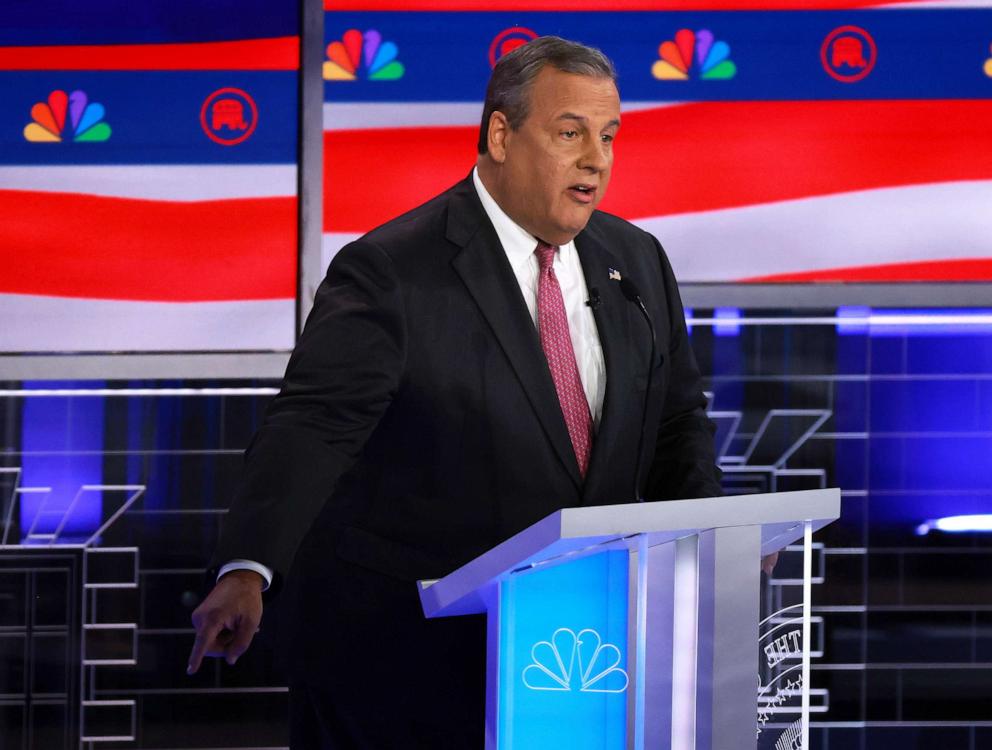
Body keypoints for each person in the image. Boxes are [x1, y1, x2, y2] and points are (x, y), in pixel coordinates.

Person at [187, 36, 722, 747]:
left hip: (582, 659)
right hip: (404, 668)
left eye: (608, 136)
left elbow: (676, 417)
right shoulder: (391, 270)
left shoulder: (636, 262)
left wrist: (714, 531)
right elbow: (314, 427)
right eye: (570, 133)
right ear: (501, 134)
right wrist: (249, 568)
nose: (597, 159)